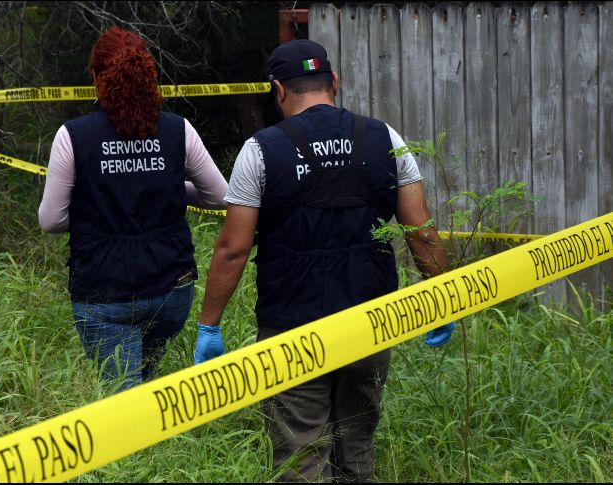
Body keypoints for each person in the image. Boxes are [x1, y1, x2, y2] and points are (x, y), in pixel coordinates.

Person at [193, 39, 456, 482]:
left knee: (301, 450)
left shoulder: (260, 150)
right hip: (372, 320)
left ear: (277, 90)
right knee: (357, 442)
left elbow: (233, 248)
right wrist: (443, 299)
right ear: (334, 82)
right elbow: (420, 231)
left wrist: (209, 325)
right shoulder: (384, 137)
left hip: (291, 326)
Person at [39, 27, 227, 391]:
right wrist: (176, 190)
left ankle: (143, 445)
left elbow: (51, 219)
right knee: (145, 384)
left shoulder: (73, 136)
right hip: (171, 290)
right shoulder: (178, 130)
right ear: (148, 77)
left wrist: (91, 202)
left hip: (104, 294)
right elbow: (220, 195)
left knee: (123, 400)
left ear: (95, 76)